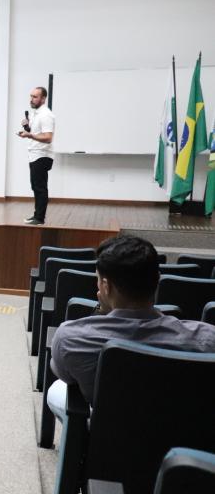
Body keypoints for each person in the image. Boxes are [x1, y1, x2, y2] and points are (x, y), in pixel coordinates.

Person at [48, 235, 215, 418]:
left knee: (56, 390)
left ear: (105, 286)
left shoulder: (70, 338)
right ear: (157, 280)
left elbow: (64, 374)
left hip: (110, 435)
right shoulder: (207, 338)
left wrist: (101, 312)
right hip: (186, 439)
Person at [18, 87, 55, 225]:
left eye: (35, 97)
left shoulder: (46, 115)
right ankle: (36, 216)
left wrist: (29, 134)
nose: (31, 99)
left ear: (43, 98)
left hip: (42, 155)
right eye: (31, 96)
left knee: (40, 187)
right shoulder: (36, 113)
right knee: (36, 186)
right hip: (35, 154)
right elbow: (36, 132)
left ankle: (39, 218)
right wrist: (27, 128)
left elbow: (48, 137)